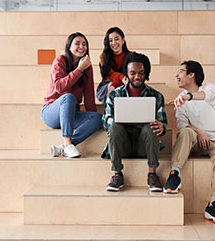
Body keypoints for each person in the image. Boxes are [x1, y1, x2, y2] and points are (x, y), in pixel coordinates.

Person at [163, 60, 215, 224]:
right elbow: (183, 126)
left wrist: (188, 97)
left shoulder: (209, 89)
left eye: (181, 71)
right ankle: (174, 175)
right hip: (197, 141)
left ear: (192, 75)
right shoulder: (180, 100)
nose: (177, 75)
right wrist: (199, 131)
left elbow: (204, 96)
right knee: (186, 132)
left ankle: (214, 204)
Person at [102, 52, 167, 192]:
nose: (137, 77)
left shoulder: (156, 96)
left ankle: (152, 174)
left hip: (144, 145)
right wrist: (117, 121)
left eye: (141, 73)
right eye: (132, 73)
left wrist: (162, 127)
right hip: (122, 143)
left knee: (152, 126)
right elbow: (106, 120)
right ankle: (117, 174)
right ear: (126, 73)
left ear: (146, 73)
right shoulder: (115, 95)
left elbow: (163, 123)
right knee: (113, 125)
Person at [42, 32, 102, 158]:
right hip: (52, 112)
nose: (82, 46)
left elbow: (89, 96)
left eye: (84, 44)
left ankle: (64, 147)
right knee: (69, 97)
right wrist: (79, 69)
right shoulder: (60, 61)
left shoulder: (88, 68)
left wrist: (93, 119)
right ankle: (68, 142)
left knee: (98, 117)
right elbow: (59, 87)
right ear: (69, 47)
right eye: (77, 43)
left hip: (71, 115)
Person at [96, 27, 132, 104]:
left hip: (127, 82)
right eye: (110, 40)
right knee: (111, 88)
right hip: (109, 83)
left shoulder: (131, 56)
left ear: (123, 40)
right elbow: (110, 75)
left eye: (117, 39)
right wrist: (117, 81)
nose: (114, 43)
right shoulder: (103, 57)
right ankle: (110, 114)